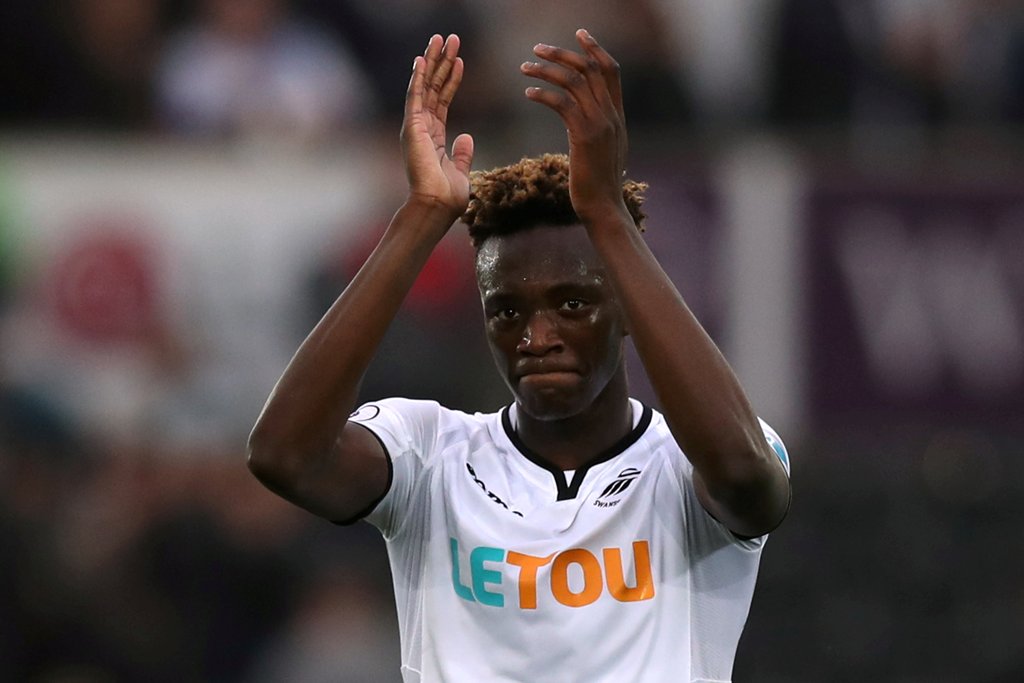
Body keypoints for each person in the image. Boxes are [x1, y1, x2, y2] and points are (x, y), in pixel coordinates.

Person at [248, 29, 791, 682]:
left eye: (572, 304)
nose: (537, 337)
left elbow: (744, 478)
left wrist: (607, 215)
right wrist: (423, 214)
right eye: (508, 311)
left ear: (626, 310)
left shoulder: (696, 458)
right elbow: (284, 455)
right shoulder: (430, 454)